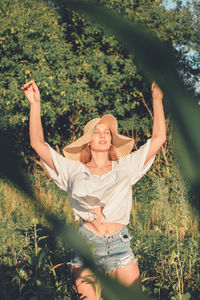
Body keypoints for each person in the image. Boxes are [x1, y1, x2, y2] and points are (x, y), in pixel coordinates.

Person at [22, 80, 166, 300]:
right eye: (97, 132)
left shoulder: (125, 166)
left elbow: (158, 139)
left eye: (107, 132)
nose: (102, 135)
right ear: (88, 142)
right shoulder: (73, 169)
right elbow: (38, 144)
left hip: (120, 244)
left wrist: (157, 99)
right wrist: (35, 104)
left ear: (111, 140)